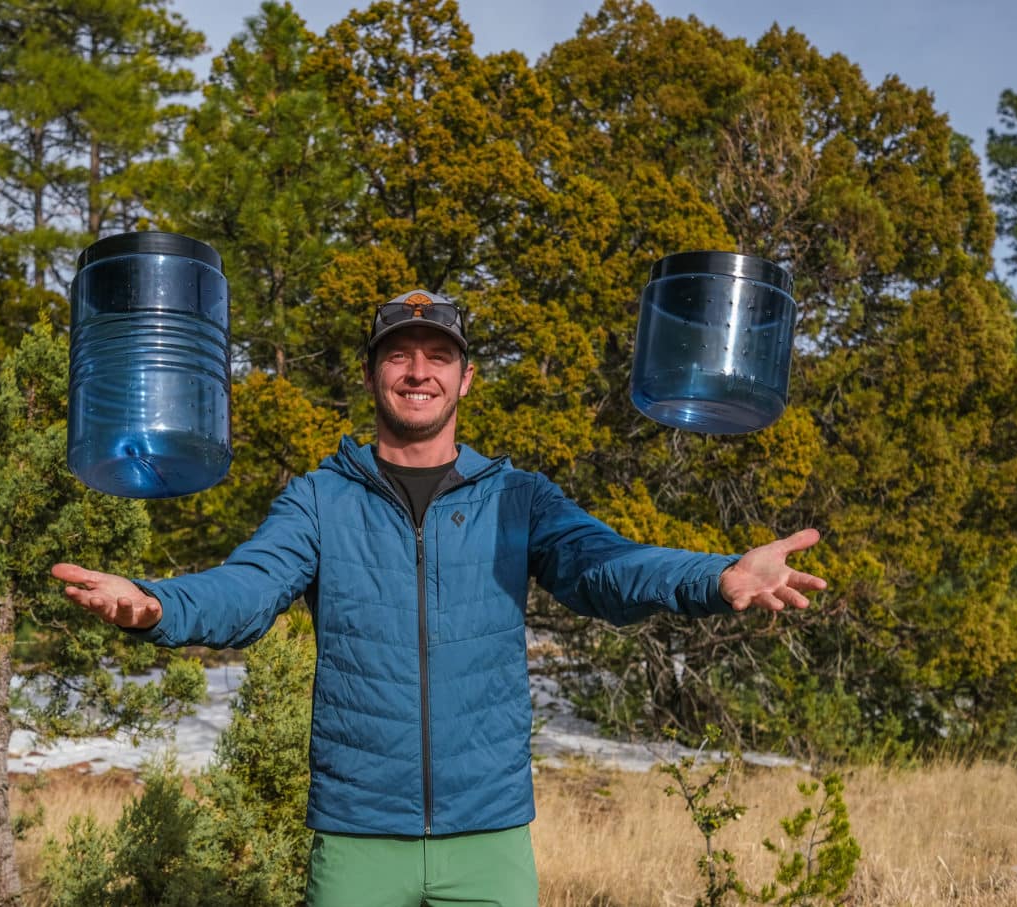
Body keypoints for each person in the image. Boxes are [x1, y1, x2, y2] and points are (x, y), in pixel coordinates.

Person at [52, 288, 827, 907]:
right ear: (371, 375)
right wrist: (159, 604)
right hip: (358, 840)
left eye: (437, 356)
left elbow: (607, 567)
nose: (418, 371)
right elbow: (247, 589)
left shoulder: (517, 497)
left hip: (486, 838)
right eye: (399, 354)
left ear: (464, 378)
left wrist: (715, 575)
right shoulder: (320, 499)